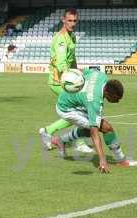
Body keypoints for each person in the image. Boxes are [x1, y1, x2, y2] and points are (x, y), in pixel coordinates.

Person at [51, 69, 137, 173]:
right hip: (67, 109)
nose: (117, 101)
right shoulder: (94, 101)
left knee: (89, 128)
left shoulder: (100, 75)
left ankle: (60, 140)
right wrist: (102, 160)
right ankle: (121, 160)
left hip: (71, 100)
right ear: (107, 93)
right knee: (105, 128)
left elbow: (82, 72)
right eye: (116, 98)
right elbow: (95, 134)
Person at [39, 8, 93, 154]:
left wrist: (80, 74)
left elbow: (72, 59)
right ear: (63, 20)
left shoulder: (72, 36)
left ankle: (47, 131)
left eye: (75, 20)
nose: (73, 23)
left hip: (68, 81)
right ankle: (78, 142)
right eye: (69, 20)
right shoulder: (61, 39)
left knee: (78, 112)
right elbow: (62, 64)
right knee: (79, 112)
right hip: (59, 82)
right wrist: (72, 79)